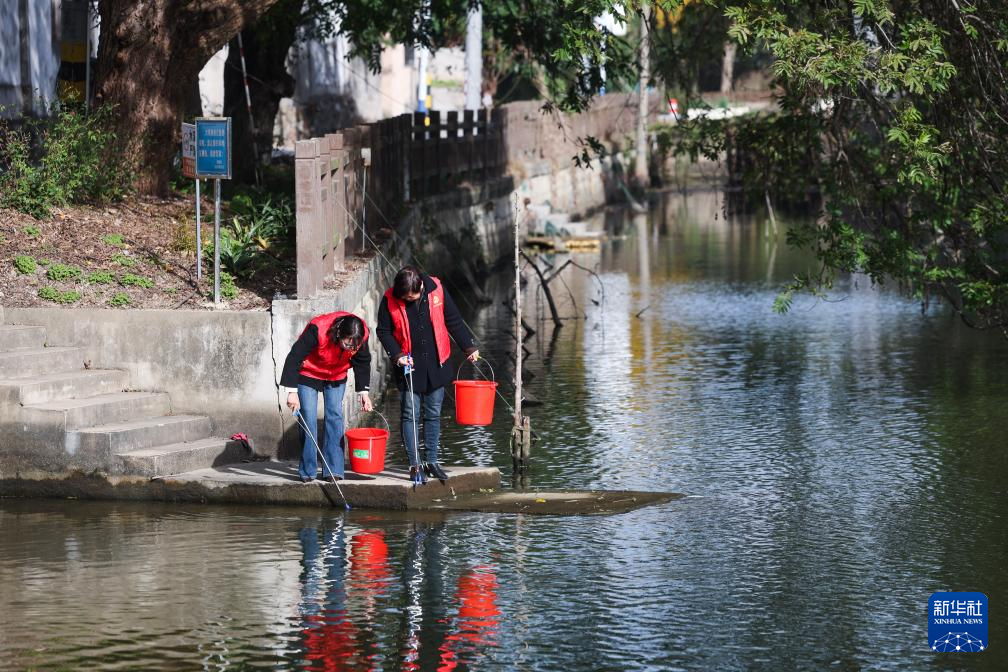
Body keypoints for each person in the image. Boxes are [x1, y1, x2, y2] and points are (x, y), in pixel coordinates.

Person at [377, 266, 478, 484]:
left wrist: (468, 347)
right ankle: (414, 465)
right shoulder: (390, 299)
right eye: (405, 297)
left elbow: (453, 319)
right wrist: (397, 355)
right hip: (408, 367)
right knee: (409, 415)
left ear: (421, 286)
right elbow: (383, 331)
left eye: (412, 296)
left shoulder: (437, 290)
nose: (409, 300)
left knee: (433, 413)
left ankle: (431, 461)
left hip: (437, 363)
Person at [282, 312, 372, 482]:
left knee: (335, 417)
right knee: (308, 418)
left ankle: (334, 470)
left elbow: (362, 361)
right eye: (347, 344)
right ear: (339, 333)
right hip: (309, 373)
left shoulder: (361, 335)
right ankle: (308, 471)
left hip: (336, 375)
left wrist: (363, 393)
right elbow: (294, 357)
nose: (351, 348)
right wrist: (291, 392)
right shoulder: (318, 329)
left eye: (354, 346)